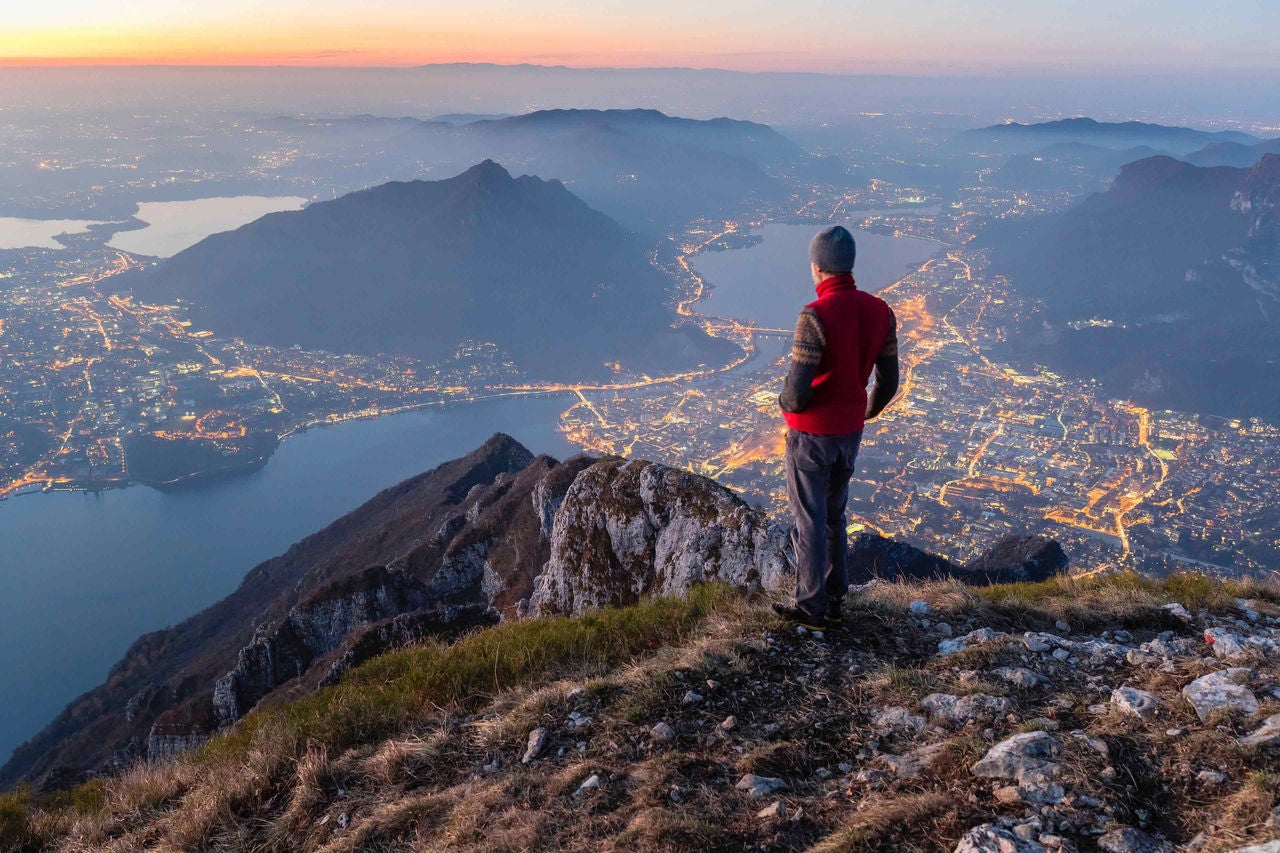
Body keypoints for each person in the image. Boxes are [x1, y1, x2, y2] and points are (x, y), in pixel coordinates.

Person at [774, 225, 899, 632]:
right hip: (849, 432)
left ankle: (810, 608)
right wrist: (865, 413)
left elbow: (795, 390)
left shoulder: (815, 316)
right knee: (834, 514)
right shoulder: (881, 311)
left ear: (817, 267)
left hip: (811, 435)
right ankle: (835, 599)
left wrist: (786, 406)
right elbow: (889, 381)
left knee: (808, 517)